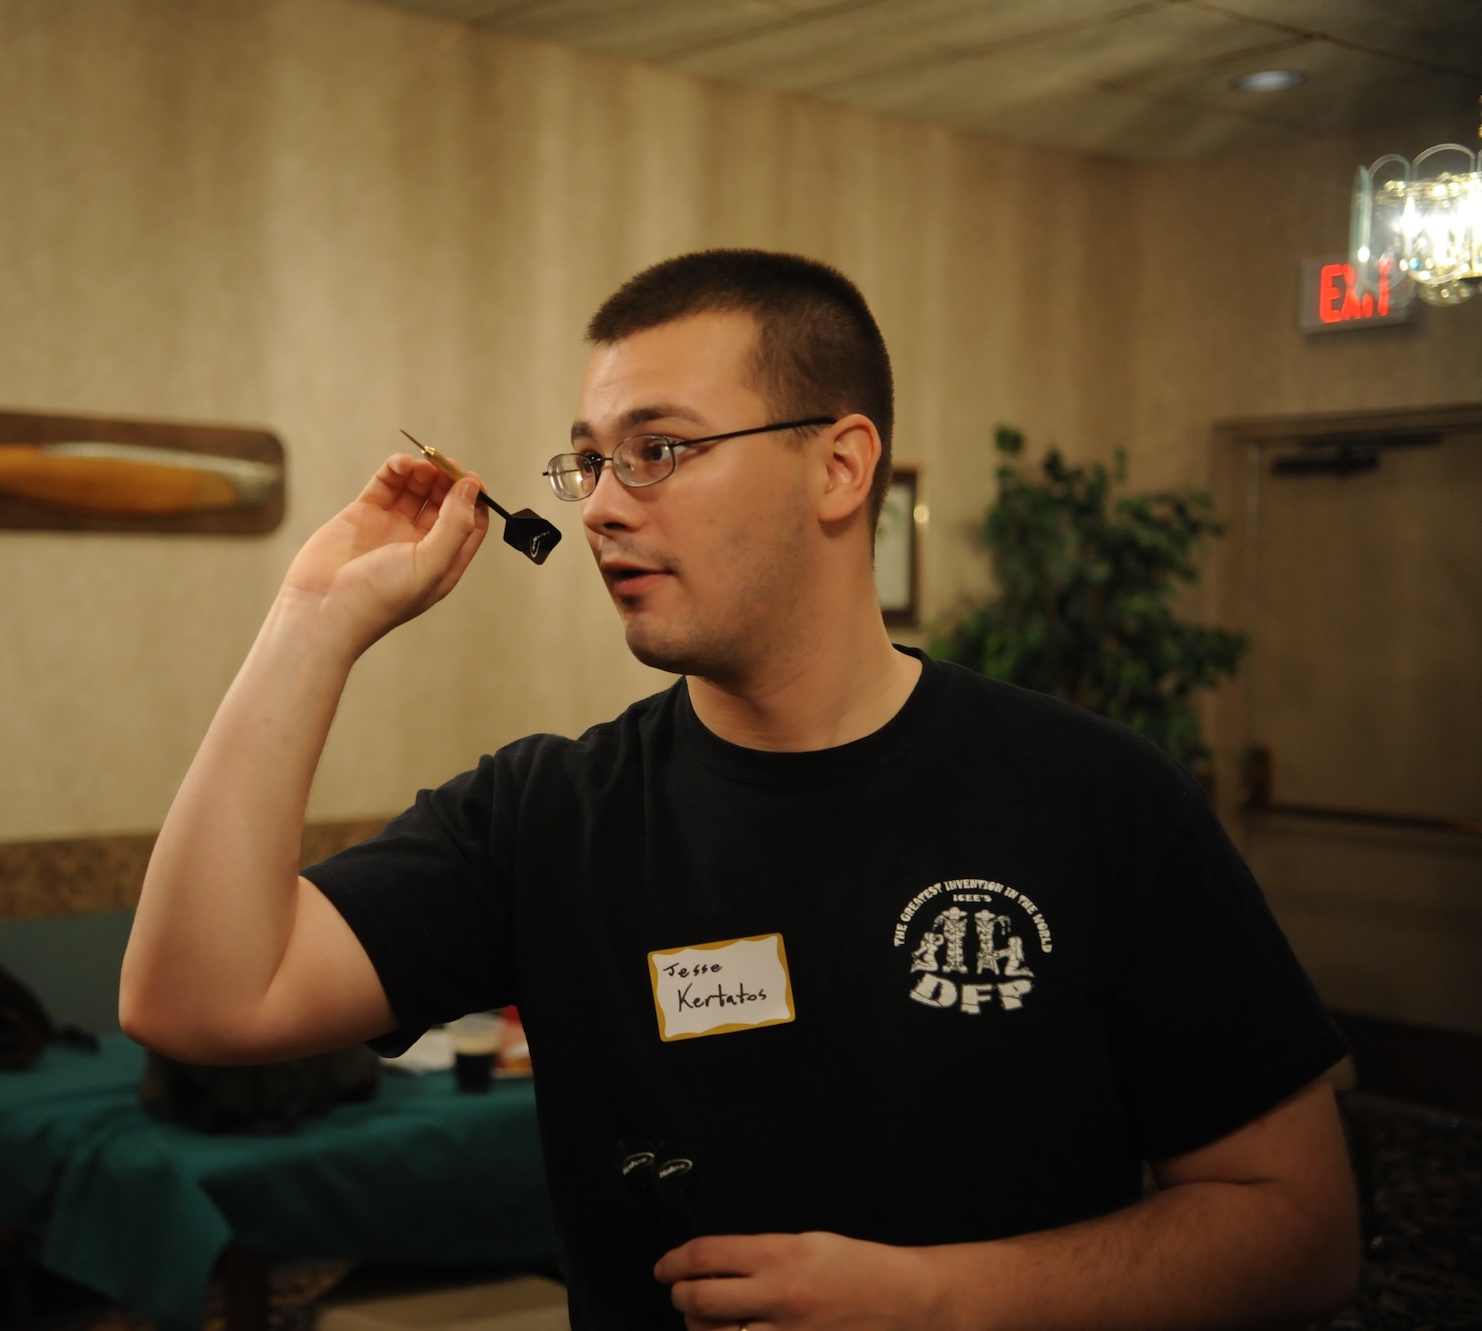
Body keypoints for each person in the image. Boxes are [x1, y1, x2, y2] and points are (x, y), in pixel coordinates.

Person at [120, 250, 1358, 1330]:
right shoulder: (546, 813)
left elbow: (1298, 1231)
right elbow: (195, 998)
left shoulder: (1095, 797)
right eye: (589, 461)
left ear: (838, 466)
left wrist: (937, 1301)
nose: (600, 505)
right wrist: (310, 621)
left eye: (657, 450)